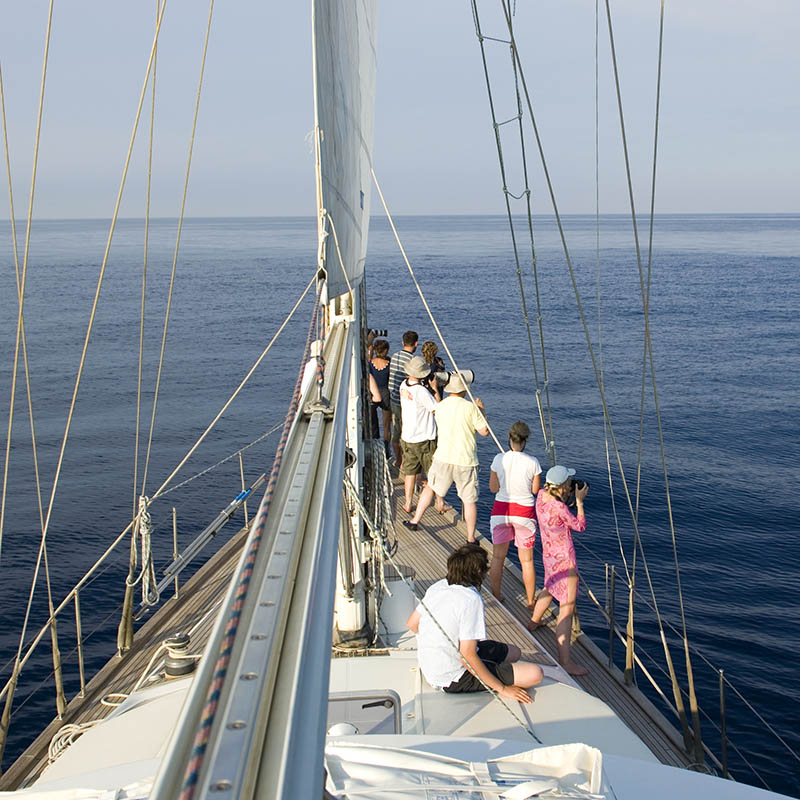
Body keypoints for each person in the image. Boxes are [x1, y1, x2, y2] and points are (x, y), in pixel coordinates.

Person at [406, 543, 543, 700]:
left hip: (431, 667)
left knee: (514, 652)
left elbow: (412, 623)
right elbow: (467, 657)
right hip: (451, 677)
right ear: (479, 572)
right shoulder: (471, 599)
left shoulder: (439, 586)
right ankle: (495, 677)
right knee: (535, 674)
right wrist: (502, 689)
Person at [404, 372, 488, 542]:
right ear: (464, 390)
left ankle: (415, 520)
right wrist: (482, 411)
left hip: (443, 456)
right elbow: (484, 432)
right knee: (469, 500)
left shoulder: (440, 406)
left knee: (431, 488)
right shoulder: (470, 408)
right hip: (465, 459)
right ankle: (471, 538)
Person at [529, 465, 589, 676]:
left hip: (548, 556)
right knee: (566, 607)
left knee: (549, 588)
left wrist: (565, 495)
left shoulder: (542, 496)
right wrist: (579, 502)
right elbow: (579, 526)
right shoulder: (560, 508)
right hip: (565, 560)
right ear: (564, 486)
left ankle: (534, 622)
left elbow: (555, 506)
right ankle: (566, 661)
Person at [488, 421, 541, 608]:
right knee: (526, 560)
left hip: (501, 511)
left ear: (509, 438)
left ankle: (496, 594)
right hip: (524, 514)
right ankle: (530, 601)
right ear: (525, 440)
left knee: (497, 558)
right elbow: (535, 490)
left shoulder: (498, 459)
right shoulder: (533, 462)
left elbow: (493, 488)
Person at [398, 356, 450, 515]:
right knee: (435, 472)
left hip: (407, 436)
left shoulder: (403, 385)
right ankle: (440, 502)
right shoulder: (421, 391)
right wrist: (434, 389)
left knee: (410, 472)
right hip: (424, 438)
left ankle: (407, 502)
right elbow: (437, 409)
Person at [388, 330, 418, 466]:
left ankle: (398, 459)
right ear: (416, 344)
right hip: (406, 403)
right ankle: (406, 461)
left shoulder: (394, 356)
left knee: (396, 430)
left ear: (402, 342)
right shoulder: (412, 361)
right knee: (406, 431)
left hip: (393, 399)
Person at [368, 339, 392, 449]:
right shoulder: (389, 364)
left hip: (373, 393)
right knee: (386, 425)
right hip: (385, 392)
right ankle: (387, 449)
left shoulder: (370, 363)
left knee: (372, 421)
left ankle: (374, 444)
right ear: (386, 350)